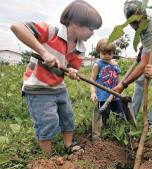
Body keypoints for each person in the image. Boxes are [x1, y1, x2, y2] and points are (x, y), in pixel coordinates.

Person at [10, 0, 102, 155]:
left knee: (68, 116)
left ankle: (69, 145)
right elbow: (16, 27)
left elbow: (71, 68)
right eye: (90, 28)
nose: (93, 33)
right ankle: (48, 157)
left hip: (59, 88)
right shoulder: (51, 32)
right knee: (47, 121)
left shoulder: (80, 49)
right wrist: (44, 52)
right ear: (75, 23)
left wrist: (72, 72)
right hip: (38, 87)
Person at [113, 0, 152, 135]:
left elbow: (143, 65)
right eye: (132, 23)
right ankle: (131, 117)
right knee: (140, 82)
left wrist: (123, 84)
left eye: (138, 22)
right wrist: (144, 49)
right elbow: (145, 39)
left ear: (144, 16)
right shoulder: (140, 20)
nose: (136, 26)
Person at [90, 38, 125, 129]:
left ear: (113, 53)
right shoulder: (97, 65)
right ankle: (105, 130)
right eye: (104, 54)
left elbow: (118, 79)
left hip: (115, 95)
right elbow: (92, 80)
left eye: (109, 54)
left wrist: (120, 89)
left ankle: (121, 129)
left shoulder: (115, 65)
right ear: (99, 53)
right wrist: (93, 92)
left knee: (120, 113)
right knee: (105, 115)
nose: (107, 56)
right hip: (103, 96)